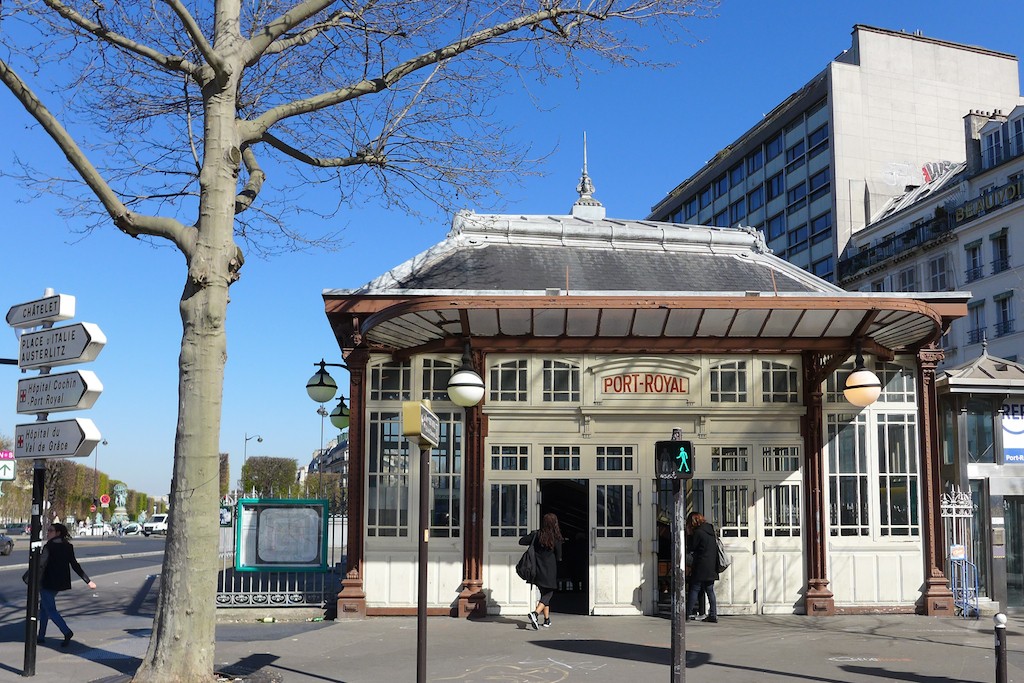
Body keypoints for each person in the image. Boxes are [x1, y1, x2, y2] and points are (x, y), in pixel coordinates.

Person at [33, 523, 97, 646]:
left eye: (50, 530)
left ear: (58, 533)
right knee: (44, 608)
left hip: (47, 582)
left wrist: (32, 574)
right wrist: (88, 581)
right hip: (60, 583)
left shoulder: (49, 546)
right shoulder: (68, 546)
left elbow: (40, 564)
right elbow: (74, 565)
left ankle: (66, 631)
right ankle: (41, 636)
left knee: (50, 609)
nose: (48, 533)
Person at [520, 512, 563, 630]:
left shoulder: (538, 535)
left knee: (544, 593)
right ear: (555, 524)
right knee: (549, 593)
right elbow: (559, 556)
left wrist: (532, 535)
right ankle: (535, 613)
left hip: (537, 569)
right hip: (549, 569)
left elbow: (521, 541)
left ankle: (547, 620)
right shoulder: (556, 537)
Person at [685, 512, 718, 623]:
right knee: (710, 590)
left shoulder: (698, 533)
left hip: (701, 564)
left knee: (694, 588)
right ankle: (713, 615)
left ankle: (687, 613)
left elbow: (692, 547)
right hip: (711, 565)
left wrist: (689, 535)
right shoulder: (710, 530)